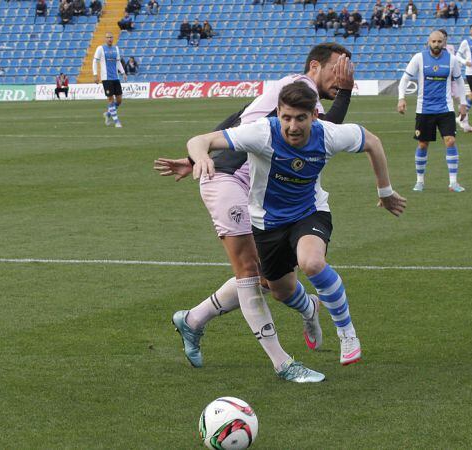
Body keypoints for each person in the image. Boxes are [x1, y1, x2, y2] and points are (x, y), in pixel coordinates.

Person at [154, 44, 359, 375]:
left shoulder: (291, 90)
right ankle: (283, 364)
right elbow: (324, 133)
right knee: (249, 270)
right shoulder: (302, 89)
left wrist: (195, 156)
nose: (344, 75)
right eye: (339, 68)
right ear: (316, 67)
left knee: (270, 279)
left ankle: (193, 320)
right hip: (227, 179)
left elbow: (238, 120)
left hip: (255, 190)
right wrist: (347, 94)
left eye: (349, 70)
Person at [186, 82, 406, 371]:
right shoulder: (262, 132)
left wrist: (385, 192)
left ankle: (347, 333)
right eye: (286, 117)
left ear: (314, 116)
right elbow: (200, 140)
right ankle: (310, 309)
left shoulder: (328, 135)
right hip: (267, 224)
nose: (292, 126)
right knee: (279, 290)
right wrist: (200, 156)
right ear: (278, 113)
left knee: (312, 262)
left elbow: (372, 143)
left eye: (300, 118)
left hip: (309, 213)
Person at [398, 31, 468, 193]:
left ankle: (453, 183)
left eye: (439, 41)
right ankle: (420, 181)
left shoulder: (451, 60)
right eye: (434, 41)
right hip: (424, 109)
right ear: (429, 41)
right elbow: (405, 79)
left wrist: (463, 103)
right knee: (423, 144)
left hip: (445, 109)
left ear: (444, 43)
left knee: (450, 141)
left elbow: (459, 81)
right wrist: (401, 98)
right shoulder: (419, 58)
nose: (436, 44)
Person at [93, 32, 127, 128]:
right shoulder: (100, 49)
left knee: (119, 100)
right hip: (106, 78)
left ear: (113, 38)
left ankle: (108, 114)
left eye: (111, 37)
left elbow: (118, 62)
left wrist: (123, 72)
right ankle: (116, 121)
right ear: (105, 39)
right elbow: (95, 61)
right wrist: (95, 75)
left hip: (115, 77)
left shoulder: (116, 48)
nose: (109, 39)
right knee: (111, 100)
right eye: (108, 37)